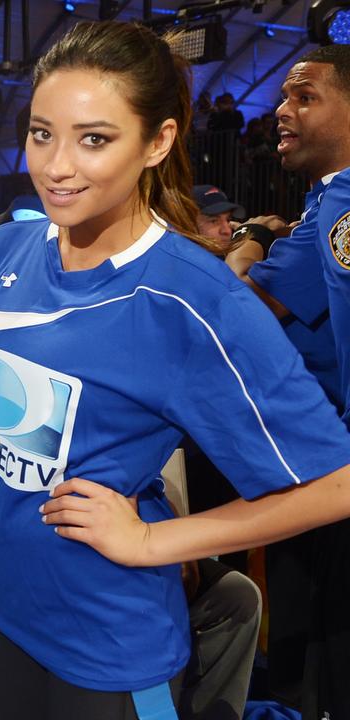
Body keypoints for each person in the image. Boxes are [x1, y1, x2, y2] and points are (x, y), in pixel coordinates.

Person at [0, 20, 350, 719]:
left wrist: (155, 538)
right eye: (41, 132)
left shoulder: (191, 297)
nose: (56, 166)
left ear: (159, 141)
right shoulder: (8, 251)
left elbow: (335, 485)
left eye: (94, 139)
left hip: (107, 649)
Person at [224, 45, 350, 717]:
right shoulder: (328, 203)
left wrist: (245, 243)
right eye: (283, 96)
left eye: (306, 97)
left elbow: (241, 313)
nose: (281, 110)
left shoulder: (345, 204)